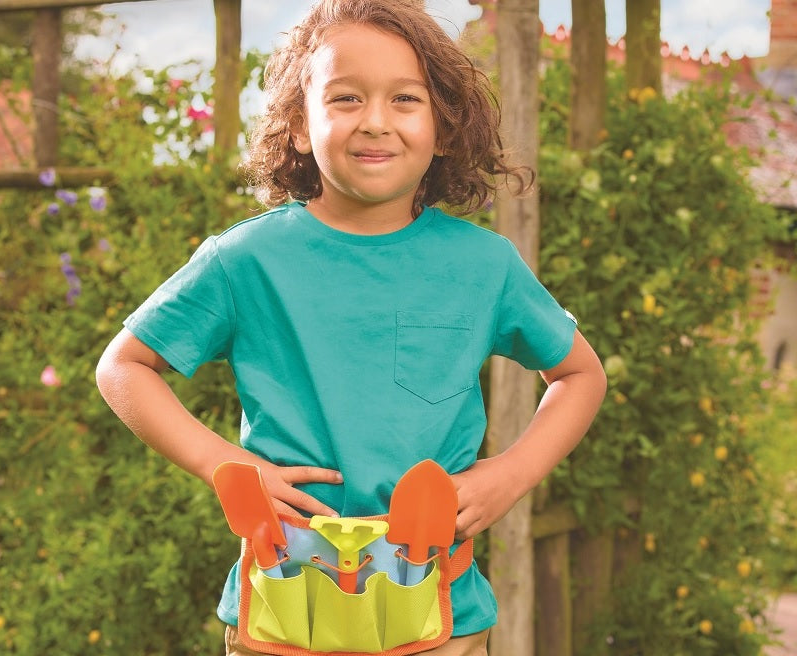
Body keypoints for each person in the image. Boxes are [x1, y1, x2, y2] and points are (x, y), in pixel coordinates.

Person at [95, 1, 607, 654]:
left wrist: (507, 475)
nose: (375, 122)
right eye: (344, 98)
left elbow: (581, 374)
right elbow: (124, 367)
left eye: (405, 99)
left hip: (441, 628)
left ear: (443, 128)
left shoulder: (483, 265)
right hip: (278, 622)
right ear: (299, 126)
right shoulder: (245, 261)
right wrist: (223, 461)